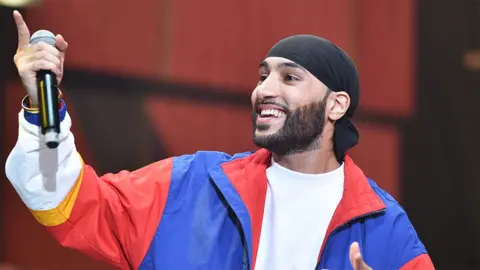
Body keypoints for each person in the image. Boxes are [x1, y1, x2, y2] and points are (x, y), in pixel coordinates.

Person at [5, 10, 434, 270]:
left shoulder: (384, 228)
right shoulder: (190, 185)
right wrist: (42, 105)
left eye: (289, 77)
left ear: (336, 105)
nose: (265, 89)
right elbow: (64, 199)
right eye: (263, 75)